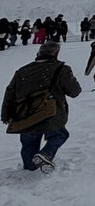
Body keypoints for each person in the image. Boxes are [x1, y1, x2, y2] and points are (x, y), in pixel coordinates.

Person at [1, 40, 82, 173]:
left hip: (25, 113)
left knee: (29, 141)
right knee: (59, 135)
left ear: (39, 53)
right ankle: (46, 154)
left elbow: (10, 92)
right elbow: (74, 91)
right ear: (56, 53)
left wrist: (6, 115)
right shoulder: (61, 69)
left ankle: (29, 168)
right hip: (50, 112)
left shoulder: (22, 70)